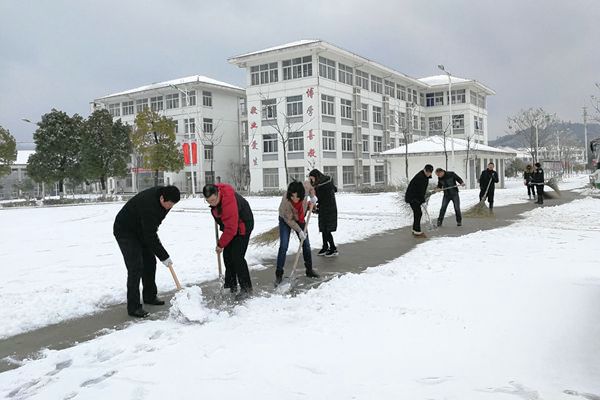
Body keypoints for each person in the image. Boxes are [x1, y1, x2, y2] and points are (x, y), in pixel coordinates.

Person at [113, 186, 181, 318]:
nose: (169, 207)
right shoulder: (148, 205)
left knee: (150, 262)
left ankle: (149, 296)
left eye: (172, 205)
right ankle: (134, 307)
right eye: (168, 204)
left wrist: (159, 253)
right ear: (162, 198)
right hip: (125, 230)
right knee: (135, 266)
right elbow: (150, 234)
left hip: (142, 229)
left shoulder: (166, 200)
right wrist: (164, 256)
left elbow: (153, 226)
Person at [203, 183, 254, 299]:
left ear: (218, 193)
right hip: (232, 226)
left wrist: (220, 244)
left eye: (213, 200)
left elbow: (231, 228)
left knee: (237, 256)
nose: (211, 203)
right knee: (227, 255)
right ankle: (231, 285)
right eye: (208, 201)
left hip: (243, 225)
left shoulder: (228, 202)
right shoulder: (217, 194)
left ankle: (246, 288)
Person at [276, 181, 319, 285]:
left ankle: (309, 270)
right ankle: (279, 274)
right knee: (284, 245)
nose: (295, 199)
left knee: (306, 244)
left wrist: (313, 196)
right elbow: (289, 220)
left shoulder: (304, 188)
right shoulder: (286, 201)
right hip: (286, 220)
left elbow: (311, 187)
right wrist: (299, 231)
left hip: (300, 219)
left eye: (297, 196)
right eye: (292, 196)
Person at [308, 169, 338, 257]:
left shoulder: (323, 185)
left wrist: (315, 207)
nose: (311, 180)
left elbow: (320, 198)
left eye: (312, 178)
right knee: (323, 229)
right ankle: (325, 247)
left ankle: (333, 248)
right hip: (324, 208)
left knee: (327, 229)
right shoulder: (323, 183)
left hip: (329, 209)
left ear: (316, 177)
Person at [405, 164, 434, 236]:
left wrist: (421, 199)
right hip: (413, 198)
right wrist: (421, 200)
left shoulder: (424, 176)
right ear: (425, 170)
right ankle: (417, 231)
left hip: (415, 197)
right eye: (427, 172)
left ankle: (415, 229)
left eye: (430, 172)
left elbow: (422, 191)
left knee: (417, 213)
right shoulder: (420, 177)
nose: (429, 174)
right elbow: (419, 191)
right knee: (418, 213)